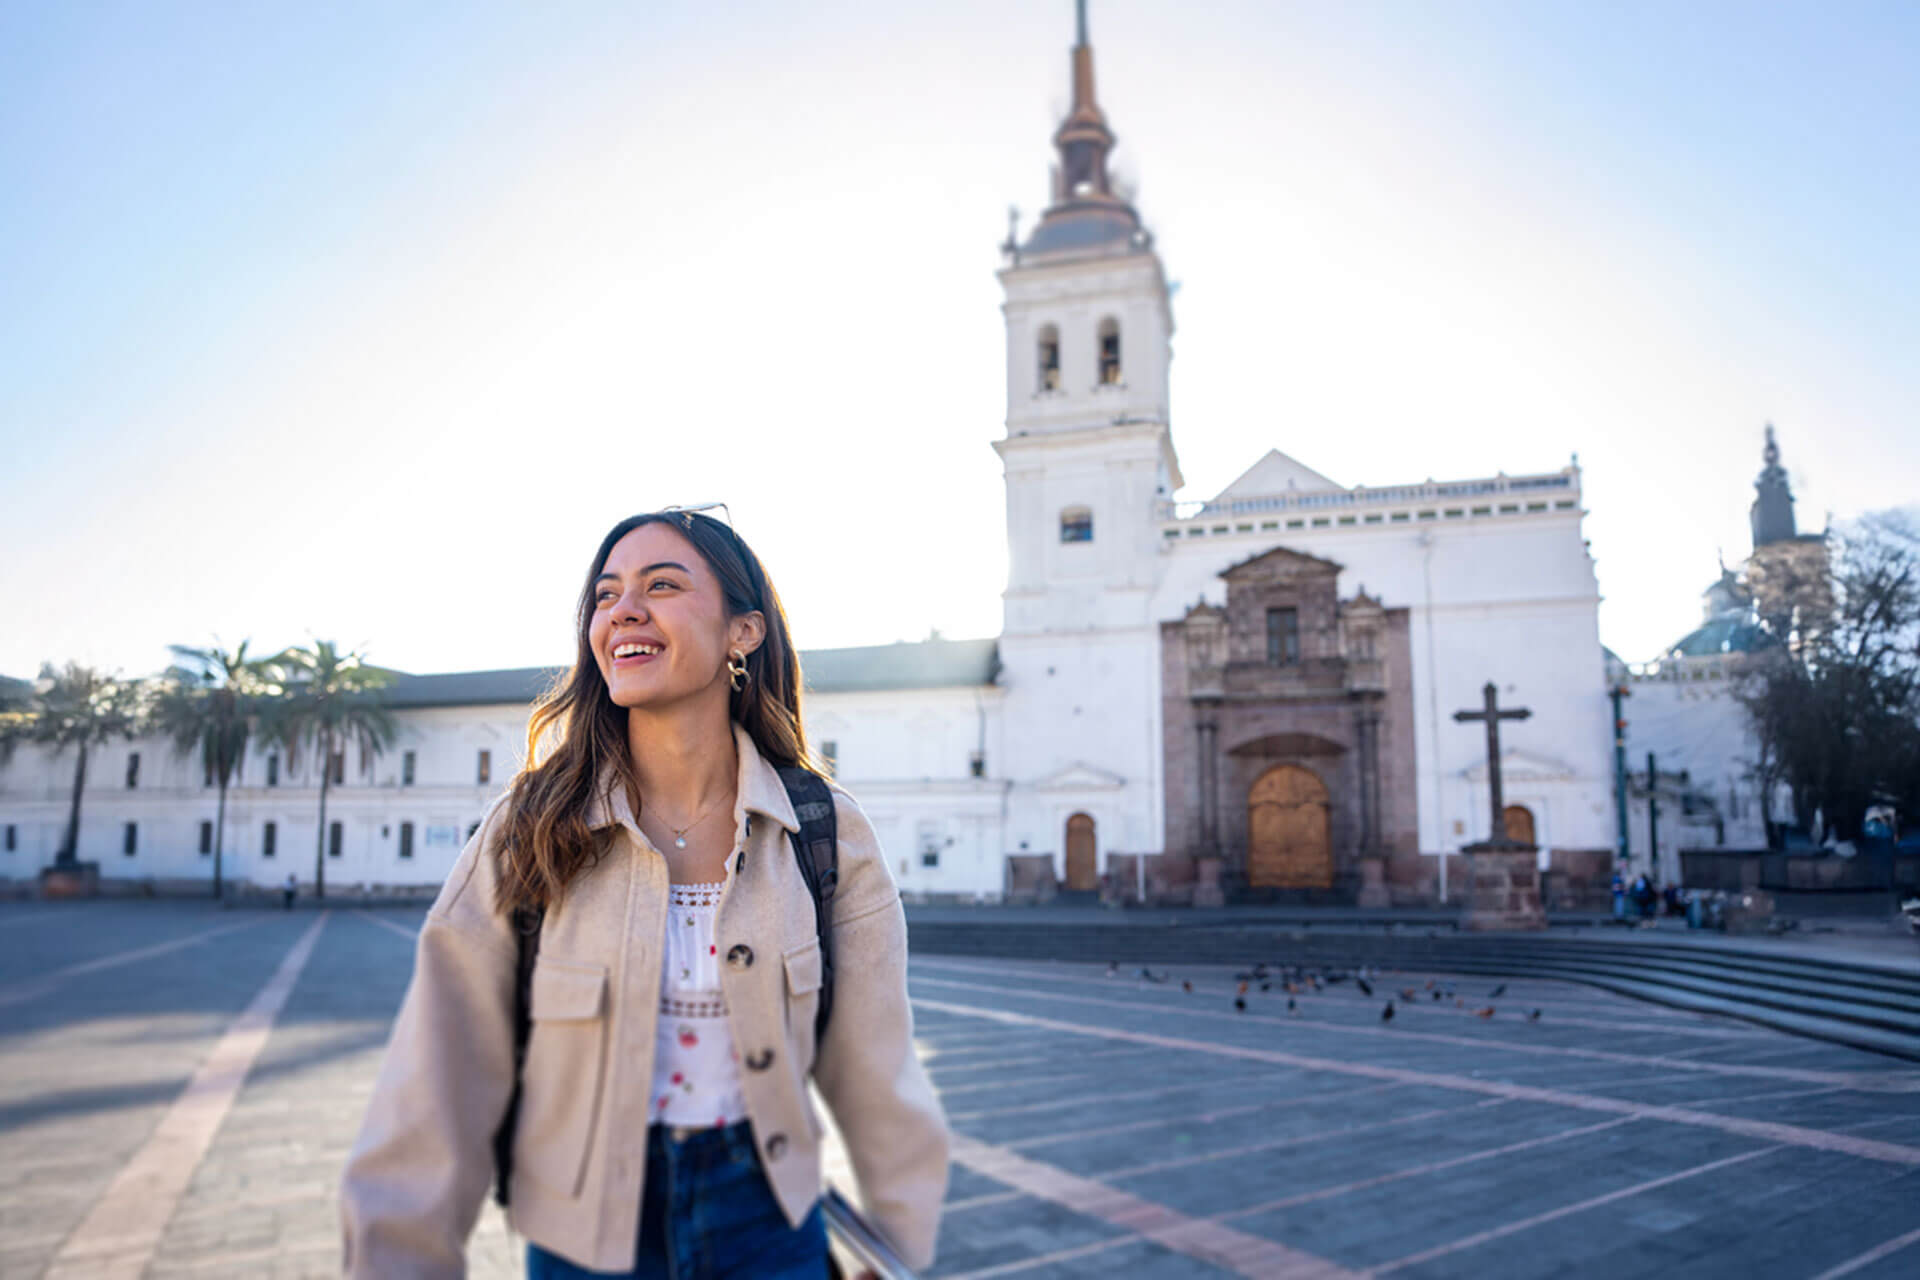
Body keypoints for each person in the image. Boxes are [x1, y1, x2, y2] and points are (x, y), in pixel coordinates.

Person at [339, 509, 950, 1278]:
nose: (623, 609)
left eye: (662, 585)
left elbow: (879, 1070)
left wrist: (895, 1248)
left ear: (744, 633)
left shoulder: (823, 829)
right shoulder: (529, 826)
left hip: (769, 1224)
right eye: (606, 594)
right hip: (585, 1238)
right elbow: (436, 1080)